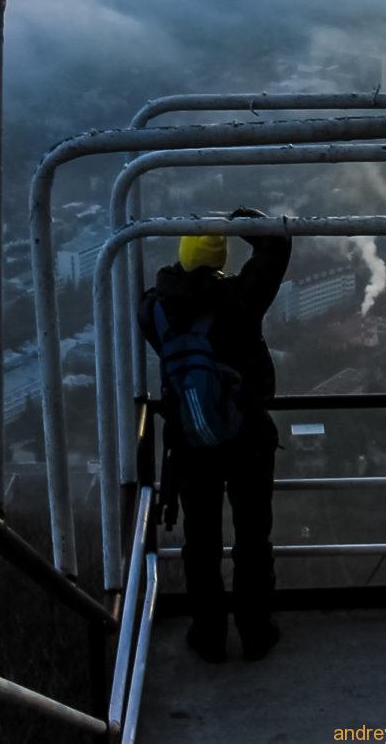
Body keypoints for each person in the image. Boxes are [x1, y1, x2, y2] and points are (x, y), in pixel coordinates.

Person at [140, 207, 290, 662]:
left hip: (189, 442)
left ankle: (208, 637)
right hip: (247, 439)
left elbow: (160, 301)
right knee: (251, 537)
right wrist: (245, 221)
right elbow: (277, 246)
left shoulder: (155, 309)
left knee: (200, 542)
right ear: (220, 259)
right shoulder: (240, 300)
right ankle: (256, 632)